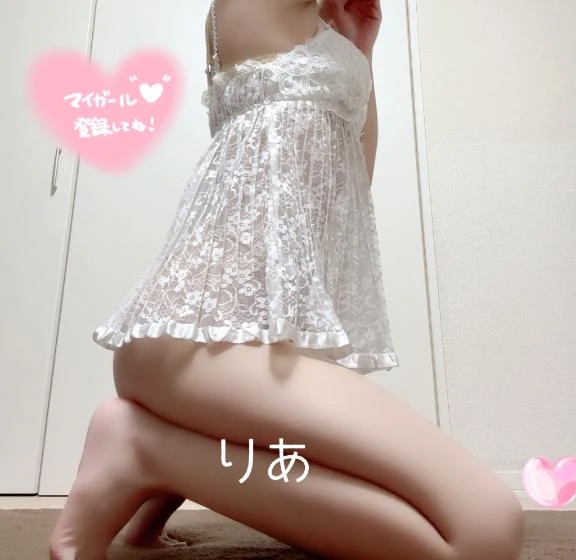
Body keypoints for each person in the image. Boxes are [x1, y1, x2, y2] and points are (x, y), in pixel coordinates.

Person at [48, 0, 525, 559]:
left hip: (249, 350)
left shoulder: (312, 46)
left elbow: (350, 185)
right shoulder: (252, 9)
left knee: (475, 530)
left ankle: (154, 453)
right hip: (198, 340)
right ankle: (143, 452)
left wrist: (358, 52)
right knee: (485, 530)